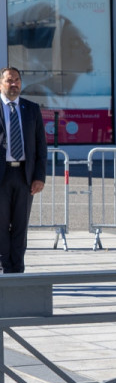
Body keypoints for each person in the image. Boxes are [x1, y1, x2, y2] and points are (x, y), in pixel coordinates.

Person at [0, 67, 48, 274]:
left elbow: (40, 146)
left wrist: (39, 177)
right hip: (1, 176)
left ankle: (17, 270)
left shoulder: (31, 109)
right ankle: (4, 267)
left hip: (24, 176)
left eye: (17, 80)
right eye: (9, 80)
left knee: (21, 226)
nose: (14, 84)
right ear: (1, 83)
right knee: (1, 226)